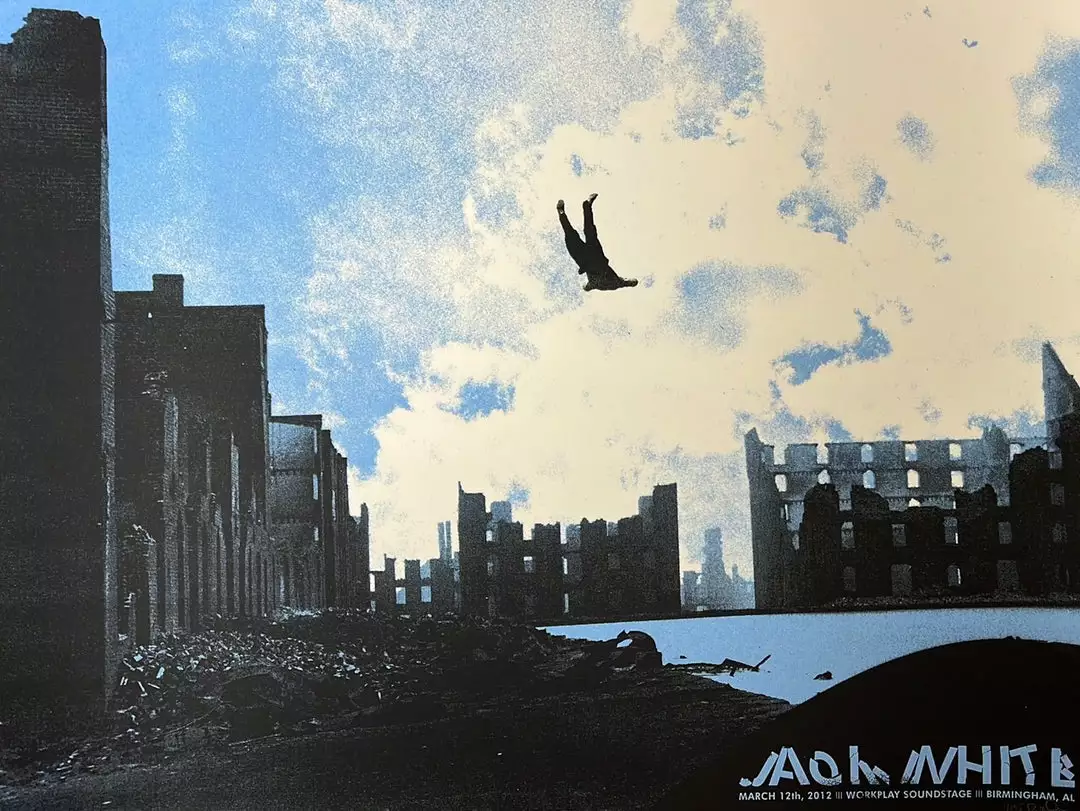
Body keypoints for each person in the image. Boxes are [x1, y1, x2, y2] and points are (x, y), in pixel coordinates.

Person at [557, 193, 638, 292]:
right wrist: (629, 282)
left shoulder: (600, 284)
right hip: (593, 258)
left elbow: (630, 282)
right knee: (582, 232)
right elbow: (629, 282)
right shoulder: (614, 283)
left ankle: (568, 211)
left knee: (579, 233)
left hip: (588, 260)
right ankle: (580, 207)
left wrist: (630, 283)